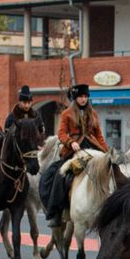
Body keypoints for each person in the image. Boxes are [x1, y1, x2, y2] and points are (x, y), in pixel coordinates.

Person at [39, 84, 107, 227]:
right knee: (58, 174)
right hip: (73, 149)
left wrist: (106, 152)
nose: (83, 99)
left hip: (92, 146)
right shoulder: (66, 113)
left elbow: (99, 135)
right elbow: (61, 134)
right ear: (75, 98)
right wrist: (70, 142)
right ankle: (56, 212)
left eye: (85, 96)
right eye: (80, 97)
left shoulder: (93, 113)